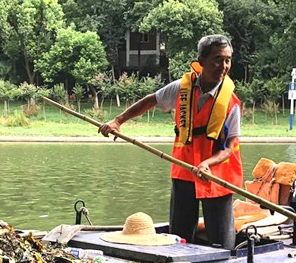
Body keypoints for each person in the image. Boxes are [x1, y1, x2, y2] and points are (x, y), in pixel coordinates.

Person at [98, 35, 243, 249]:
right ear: (201, 60)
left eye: (228, 60)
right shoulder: (181, 89)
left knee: (222, 242)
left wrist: (208, 164)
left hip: (218, 175)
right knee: (179, 237)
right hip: (184, 169)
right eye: (217, 59)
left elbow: (230, 147)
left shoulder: (231, 102)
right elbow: (151, 100)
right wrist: (118, 121)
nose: (223, 66)